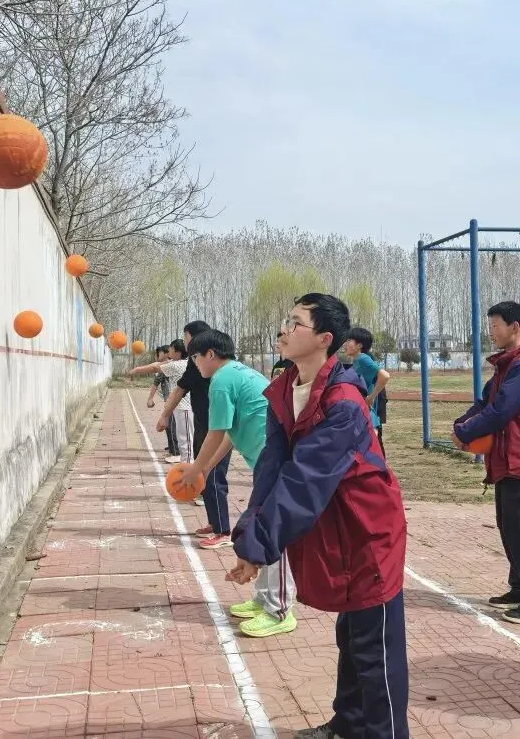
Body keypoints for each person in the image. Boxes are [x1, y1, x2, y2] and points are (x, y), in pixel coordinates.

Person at [227, 293, 409, 739]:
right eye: (285, 321)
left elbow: (305, 480)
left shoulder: (343, 401)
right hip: (336, 527)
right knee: (350, 636)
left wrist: (258, 545)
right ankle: (348, 726)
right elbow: (273, 468)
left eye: (295, 323)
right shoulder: (286, 389)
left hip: (368, 532)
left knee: (375, 650)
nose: (284, 331)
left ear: (325, 338)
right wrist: (251, 538)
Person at [175, 329, 298, 636]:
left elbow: (215, 432)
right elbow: (230, 432)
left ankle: (280, 611)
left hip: (276, 459)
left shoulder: (221, 381)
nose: (195, 364)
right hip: (269, 460)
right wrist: (205, 468)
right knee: (263, 529)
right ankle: (263, 599)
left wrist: (194, 469)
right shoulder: (237, 374)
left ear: (211, 355)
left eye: (195, 357)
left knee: (272, 534)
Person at [452, 300, 520, 625]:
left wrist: (467, 432)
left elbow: (500, 411)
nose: (491, 332)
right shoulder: (507, 366)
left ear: (515, 327)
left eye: (495, 326)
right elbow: (486, 402)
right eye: (490, 326)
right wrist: (461, 425)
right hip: (508, 459)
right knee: (509, 527)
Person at [158, 321, 232, 544]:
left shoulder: (221, 370)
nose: (184, 340)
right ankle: (215, 523)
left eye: (185, 335)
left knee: (214, 475)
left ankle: (223, 532)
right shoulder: (196, 362)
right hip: (204, 424)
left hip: (220, 428)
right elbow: (181, 387)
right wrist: (165, 414)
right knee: (205, 475)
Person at [344, 327, 390, 455]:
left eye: (349, 340)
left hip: (368, 411)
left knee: (370, 449)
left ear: (359, 345)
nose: (346, 344)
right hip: (362, 410)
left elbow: (385, 375)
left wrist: (371, 396)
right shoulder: (357, 360)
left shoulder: (363, 358)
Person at [128, 346, 179, 457]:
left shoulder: (170, 365)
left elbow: (155, 374)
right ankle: (173, 448)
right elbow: (156, 380)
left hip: (175, 401)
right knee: (170, 425)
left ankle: (175, 451)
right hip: (170, 400)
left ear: (167, 353)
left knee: (171, 425)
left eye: (159, 352)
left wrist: (136, 370)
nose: (157, 355)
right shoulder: (172, 364)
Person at [152, 340, 193, 464]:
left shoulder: (178, 365)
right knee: (180, 435)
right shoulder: (177, 363)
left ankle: (185, 461)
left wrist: (136, 370)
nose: (168, 351)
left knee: (184, 437)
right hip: (175, 404)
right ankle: (182, 457)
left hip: (182, 405)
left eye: (170, 348)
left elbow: (155, 370)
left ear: (178, 352)